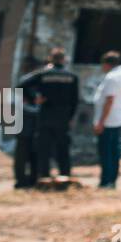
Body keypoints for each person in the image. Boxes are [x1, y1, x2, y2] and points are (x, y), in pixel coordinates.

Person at [26, 48, 79, 182]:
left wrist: (33, 99)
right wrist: (71, 117)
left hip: (45, 115)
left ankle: (44, 175)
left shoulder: (43, 74)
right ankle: (65, 175)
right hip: (63, 117)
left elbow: (22, 84)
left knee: (44, 147)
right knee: (63, 147)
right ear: (64, 60)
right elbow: (75, 100)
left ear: (50, 59)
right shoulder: (72, 76)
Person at [92, 50, 121, 189]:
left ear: (107, 64)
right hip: (118, 116)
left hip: (108, 119)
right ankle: (112, 180)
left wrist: (101, 121)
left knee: (106, 151)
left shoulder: (112, 77)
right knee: (114, 151)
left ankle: (106, 181)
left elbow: (109, 100)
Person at [12, 55, 42, 188]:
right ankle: (27, 180)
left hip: (25, 121)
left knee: (23, 153)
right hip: (27, 120)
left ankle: (24, 180)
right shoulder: (28, 81)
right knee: (30, 152)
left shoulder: (30, 81)